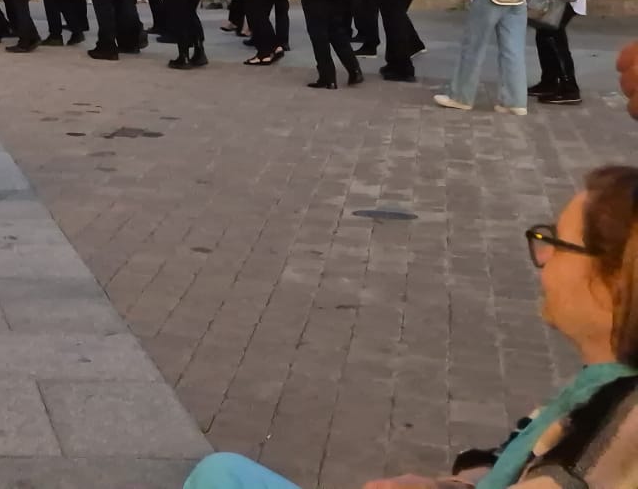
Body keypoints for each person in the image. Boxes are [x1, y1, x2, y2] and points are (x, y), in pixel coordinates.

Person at [185, 163, 638, 489]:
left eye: (554, 242)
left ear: (614, 280)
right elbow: (514, 465)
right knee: (221, 472)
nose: (542, 261)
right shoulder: (600, 391)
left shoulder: (613, 430)